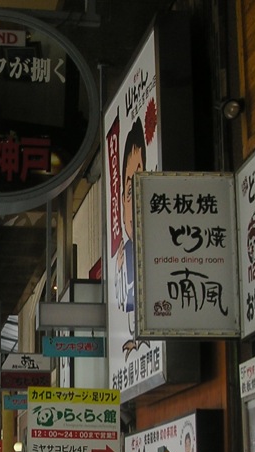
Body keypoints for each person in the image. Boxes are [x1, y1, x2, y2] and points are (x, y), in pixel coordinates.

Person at [115, 116, 145, 355]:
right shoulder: (126, 253)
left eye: (141, 185)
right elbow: (125, 303)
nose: (134, 201)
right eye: (128, 191)